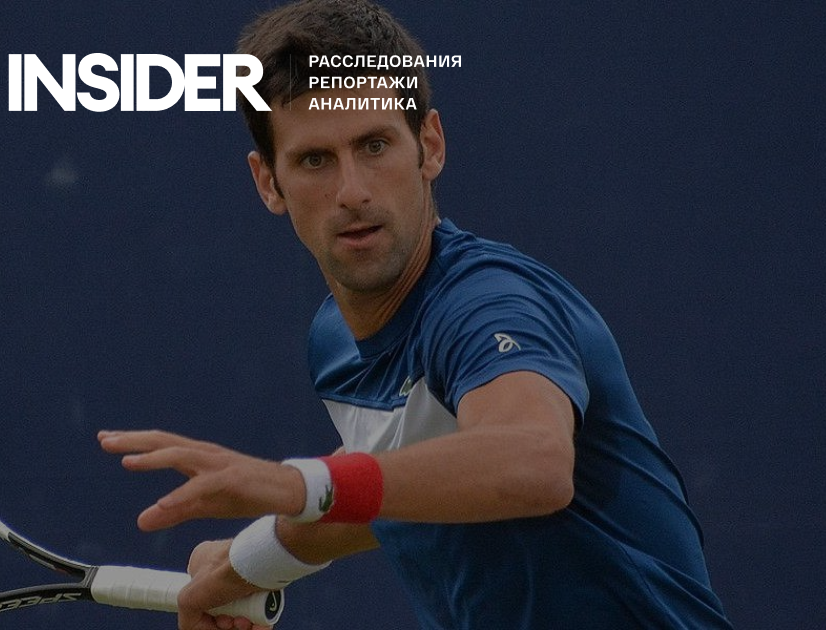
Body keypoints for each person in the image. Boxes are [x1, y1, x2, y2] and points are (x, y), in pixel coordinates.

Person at [99, 1, 733, 628]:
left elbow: (534, 463)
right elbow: (396, 485)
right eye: (315, 160)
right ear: (269, 182)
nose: (353, 191)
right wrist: (248, 564)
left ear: (430, 146)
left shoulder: (487, 304)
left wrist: (297, 484)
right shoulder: (334, 340)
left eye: (375, 145)